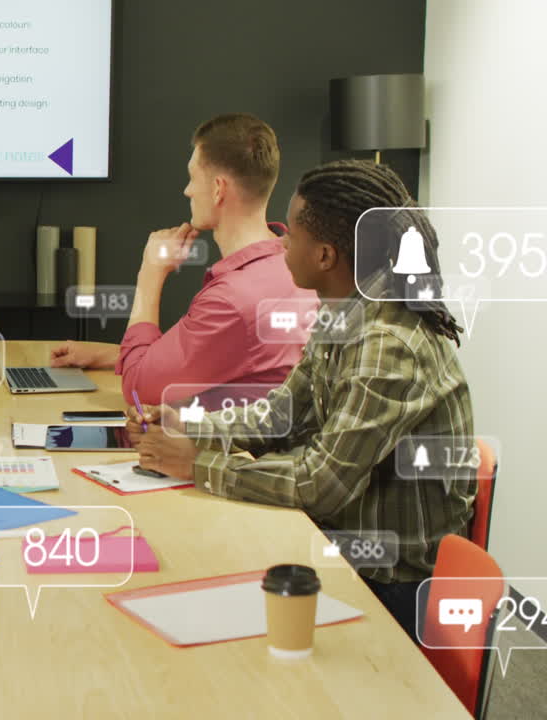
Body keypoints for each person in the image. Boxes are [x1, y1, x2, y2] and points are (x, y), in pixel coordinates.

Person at [128, 159, 475, 637]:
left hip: (392, 588)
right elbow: (282, 414)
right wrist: (188, 426)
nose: (281, 243)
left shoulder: (388, 345)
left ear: (326, 256)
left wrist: (197, 465)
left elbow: (321, 483)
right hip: (343, 547)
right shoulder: (344, 314)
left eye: (290, 233)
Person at [50, 114, 316, 409]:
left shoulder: (231, 299)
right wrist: (109, 355)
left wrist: (150, 273)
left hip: (226, 451)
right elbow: (230, 359)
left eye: (192, 177)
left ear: (218, 189)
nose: (187, 190)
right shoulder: (294, 268)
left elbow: (139, 390)